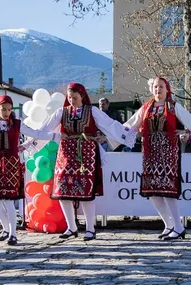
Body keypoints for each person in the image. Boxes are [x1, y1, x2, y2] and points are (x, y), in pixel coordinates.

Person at [119, 78, 191, 240]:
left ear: (167, 89)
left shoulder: (173, 106)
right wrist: (112, 136)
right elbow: (131, 124)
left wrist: (190, 132)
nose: (158, 89)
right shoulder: (146, 107)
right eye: (156, 87)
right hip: (150, 153)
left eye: (161, 86)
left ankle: (178, 227)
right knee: (152, 192)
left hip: (168, 153)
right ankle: (168, 225)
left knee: (168, 190)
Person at [32, 82, 126, 240]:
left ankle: (90, 229)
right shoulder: (62, 112)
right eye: (69, 97)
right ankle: (71, 227)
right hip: (66, 155)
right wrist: (29, 144)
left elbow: (110, 124)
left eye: (74, 97)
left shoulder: (92, 111)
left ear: (82, 96)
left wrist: (118, 136)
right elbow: (45, 128)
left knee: (85, 191)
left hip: (86, 155)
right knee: (62, 191)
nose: (71, 100)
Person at [0, 95, 48, 246]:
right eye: (3, 109)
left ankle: (13, 233)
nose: (6, 112)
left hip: (12, 165)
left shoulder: (17, 124)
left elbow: (36, 134)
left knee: (8, 200)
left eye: (9, 109)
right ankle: (6, 229)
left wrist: (25, 146)